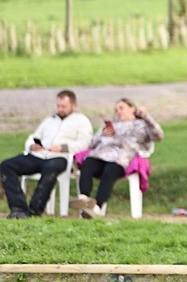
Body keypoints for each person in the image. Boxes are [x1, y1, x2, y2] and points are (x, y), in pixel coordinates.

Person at [1, 90, 94, 219]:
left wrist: (63, 148)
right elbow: (33, 136)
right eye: (58, 106)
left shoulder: (82, 121)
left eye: (64, 106)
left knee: (50, 169)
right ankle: (18, 209)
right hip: (39, 155)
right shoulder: (49, 120)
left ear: (74, 105)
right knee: (6, 166)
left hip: (60, 157)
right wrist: (32, 145)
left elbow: (85, 143)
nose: (60, 109)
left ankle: (34, 210)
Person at [71, 98, 164, 219]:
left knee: (110, 171)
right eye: (116, 110)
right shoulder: (110, 124)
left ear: (132, 108)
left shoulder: (141, 124)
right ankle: (84, 198)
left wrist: (146, 116)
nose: (118, 112)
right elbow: (91, 144)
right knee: (88, 163)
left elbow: (158, 136)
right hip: (101, 154)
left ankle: (96, 208)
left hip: (121, 157)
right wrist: (102, 135)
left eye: (121, 108)